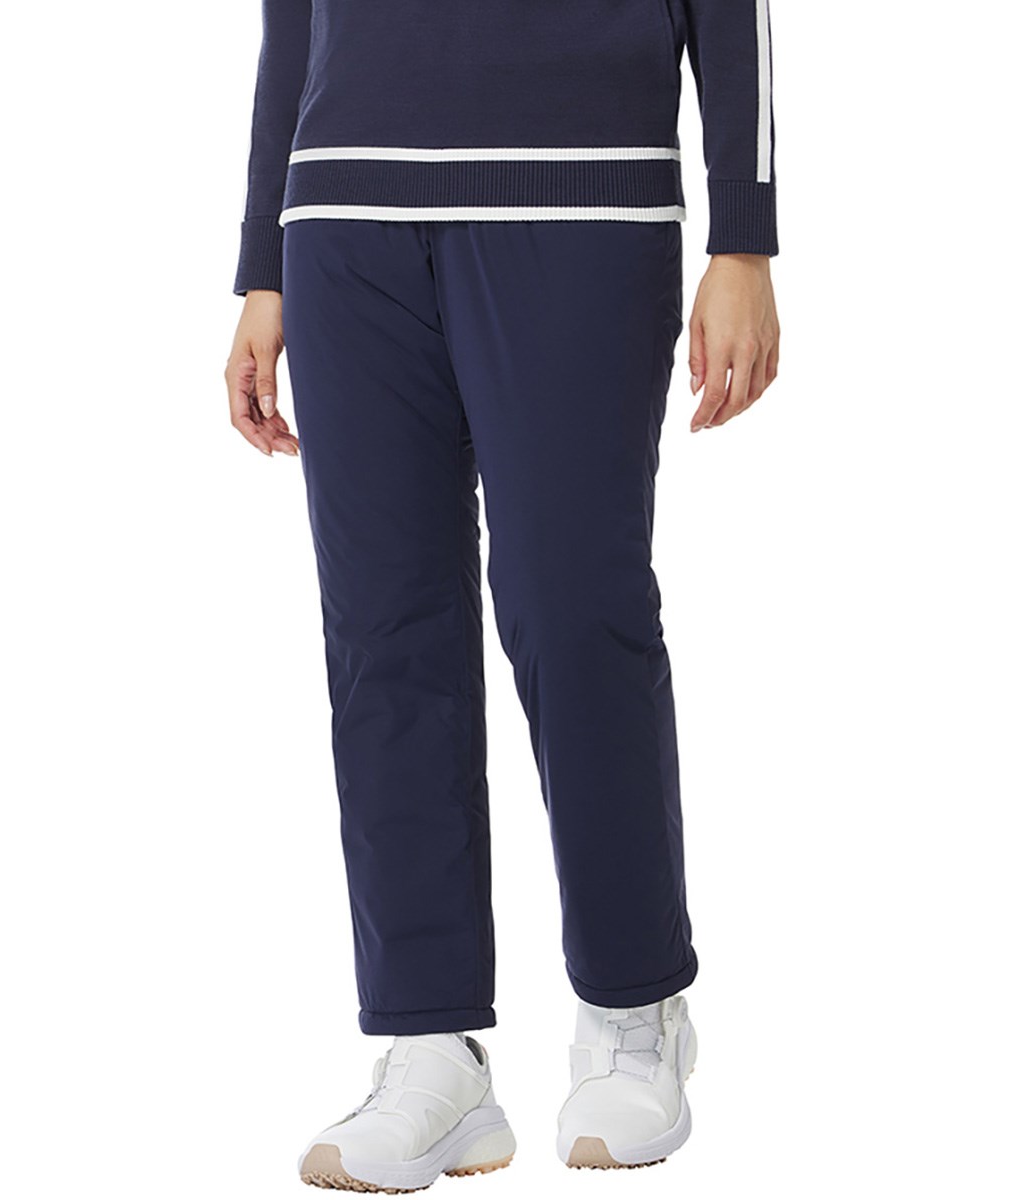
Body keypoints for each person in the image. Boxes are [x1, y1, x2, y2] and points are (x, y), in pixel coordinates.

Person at [224, 0, 781, 1189]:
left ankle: (634, 1012)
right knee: (383, 638)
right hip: (344, 217)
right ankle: (431, 1050)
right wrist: (262, 265)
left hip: (580, 198)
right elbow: (290, 17)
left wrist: (745, 235)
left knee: (575, 611)